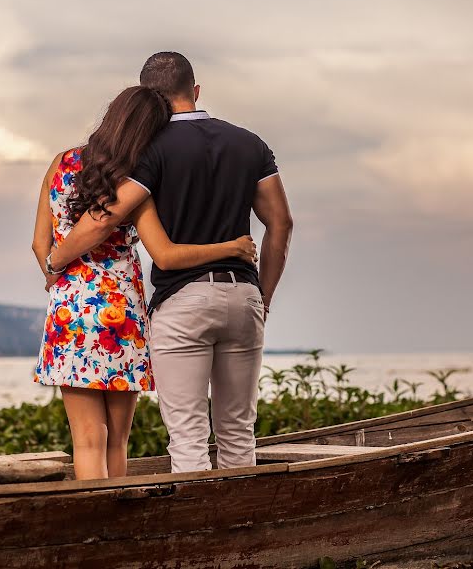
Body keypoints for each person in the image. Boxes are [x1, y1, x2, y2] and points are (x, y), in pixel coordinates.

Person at [48, 52, 293, 473]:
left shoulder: (149, 150)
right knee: (238, 430)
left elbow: (103, 217)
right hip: (244, 295)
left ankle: (201, 533)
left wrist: (56, 261)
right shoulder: (249, 143)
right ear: (195, 91)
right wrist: (263, 298)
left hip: (182, 301)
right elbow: (281, 224)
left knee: (187, 434)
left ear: (150, 99)